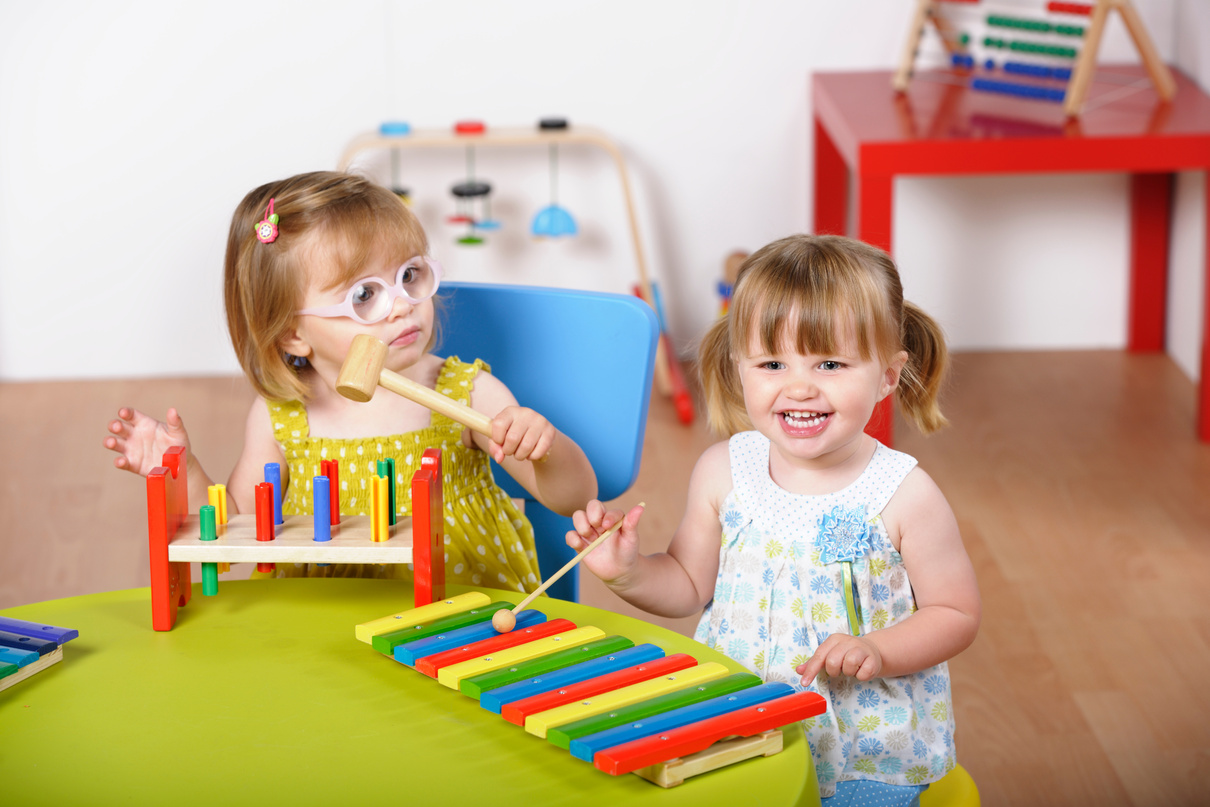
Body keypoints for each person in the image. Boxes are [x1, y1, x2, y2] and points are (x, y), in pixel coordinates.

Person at [567, 234, 980, 804]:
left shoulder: (904, 493)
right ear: (740, 368)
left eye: (831, 363)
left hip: (864, 750)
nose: (800, 386)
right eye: (772, 363)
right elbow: (689, 584)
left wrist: (880, 650)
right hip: (734, 726)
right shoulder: (723, 470)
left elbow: (954, 612)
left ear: (887, 375)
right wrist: (628, 571)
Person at [105, 171, 597, 592]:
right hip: (322, 628)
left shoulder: (466, 393)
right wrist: (183, 470)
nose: (404, 304)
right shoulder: (283, 416)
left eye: (410, 275)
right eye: (365, 295)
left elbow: (575, 497)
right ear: (292, 335)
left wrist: (543, 447)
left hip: (457, 617)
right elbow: (234, 534)